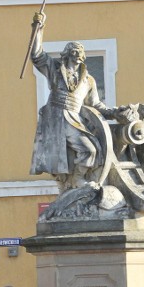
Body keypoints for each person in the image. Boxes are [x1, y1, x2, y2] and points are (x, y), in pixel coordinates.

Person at [29, 11, 126, 190]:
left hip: (75, 119)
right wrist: (38, 28)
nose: (77, 55)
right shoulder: (55, 70)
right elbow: (36, 55)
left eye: (80, 53)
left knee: (91, 150)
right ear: (66, 55)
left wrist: (114, 112)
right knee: (74, 155)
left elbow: (96, 105)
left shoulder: (88, 80)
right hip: (56, 118)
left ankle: (78, 178)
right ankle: (73, 181)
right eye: (74, 52)